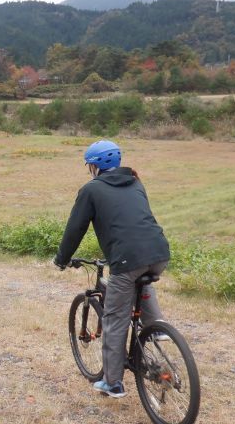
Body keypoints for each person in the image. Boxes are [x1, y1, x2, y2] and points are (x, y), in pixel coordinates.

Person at [54, 140, 170, 398]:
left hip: (127, 259)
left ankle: (112, 383)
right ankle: (156, 329)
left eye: (89, 166)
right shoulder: (135, 181)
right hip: (159, 252)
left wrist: (62, 258)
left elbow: (75, 229)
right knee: (142, 279)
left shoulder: (91, 190)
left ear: (95, 166)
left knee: (115, 319)